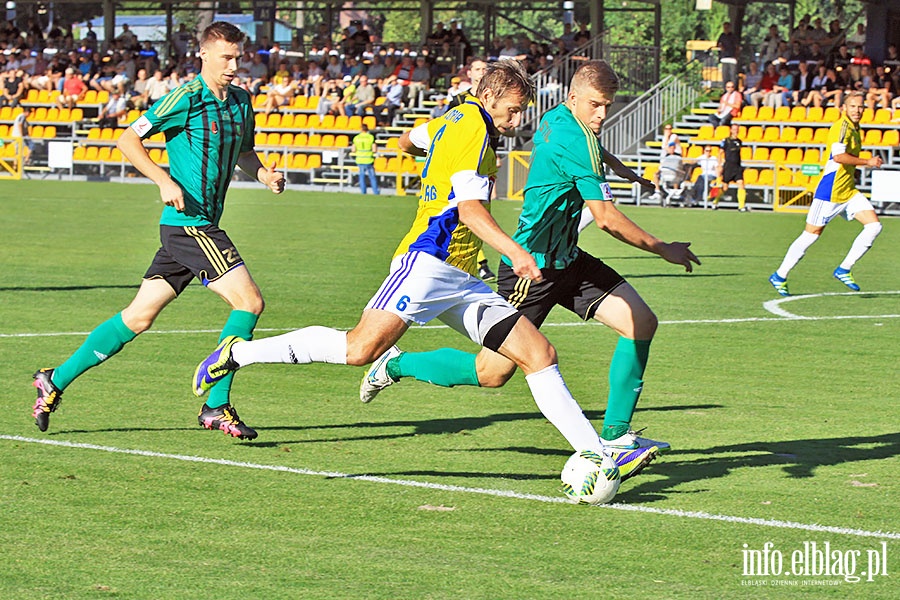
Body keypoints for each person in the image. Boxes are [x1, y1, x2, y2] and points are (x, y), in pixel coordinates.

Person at [192, 60, 657, 477]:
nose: (517, 121)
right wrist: (514, 252)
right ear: (489, 97)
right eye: (513, 110)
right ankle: (237, 354)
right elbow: (471, 211)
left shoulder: (456, 118)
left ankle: (595, 453)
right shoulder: (473, 129)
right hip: (427, 263)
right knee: (358, 350)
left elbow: (408, 141)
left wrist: (436, 161)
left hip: (461, 274)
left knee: (539, 355)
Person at [350, 60, 700, 466]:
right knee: (492, 373)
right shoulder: (572, 135)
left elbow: (588, 150)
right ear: (574, 98)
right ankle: (397, 363)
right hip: (530, 267)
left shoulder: (559, 118)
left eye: (607, 105)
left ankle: (617, 437)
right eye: (595, 105)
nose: (602, 114)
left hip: (569, 258)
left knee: (641, 321)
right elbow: (605, 218)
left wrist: (620, 168)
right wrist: (663, 248)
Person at [31, 22, 285, 440]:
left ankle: (54, 380)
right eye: (226, 57)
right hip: (190, 226)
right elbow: (129, 140)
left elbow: (243, 151)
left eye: (238, 57)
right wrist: (163, 181)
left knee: (138, 317)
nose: (234, 66)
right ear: (203, 55)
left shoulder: (241, 101)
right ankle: (216, 405)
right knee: (249, 302)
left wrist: (264, 176)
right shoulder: (186, 97)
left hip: (194, 226)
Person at [769, 92, 883, 296]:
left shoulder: (856, 128)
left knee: (874, 226)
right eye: (853, 106)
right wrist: (868, 162)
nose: (857, 110)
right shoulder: (841, 127)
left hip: (848, 191)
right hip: (830, 192)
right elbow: (839, 156)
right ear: (844, 108)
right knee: (811, 235)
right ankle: (780, 275)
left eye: (860, 107)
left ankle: (844, 269)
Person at [714, 123, 747, 211]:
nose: (735, 131)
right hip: (728, 166)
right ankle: (715, 201)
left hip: (737, 167)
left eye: (737, 129)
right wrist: (719, 165)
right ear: (731, 130)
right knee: (724, 187)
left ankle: (741, 206)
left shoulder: (739, 141)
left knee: (741, 183)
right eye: (734, 129)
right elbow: (720, 153)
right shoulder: (726, 141)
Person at [351, 123, 379, 195]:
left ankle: (363, 191)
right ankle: (375, 192)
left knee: (362, 176)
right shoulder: (371, 137)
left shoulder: (356, 138)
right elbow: (374, 149)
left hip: (360, 159)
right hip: (369, 159)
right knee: (372, 176)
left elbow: (353, 150)